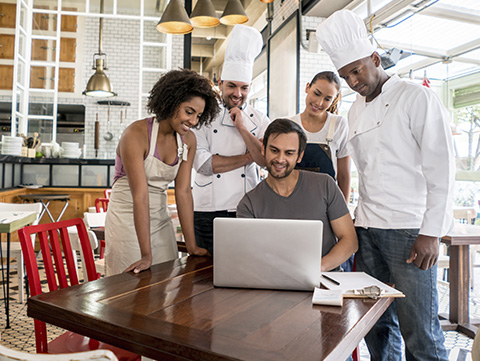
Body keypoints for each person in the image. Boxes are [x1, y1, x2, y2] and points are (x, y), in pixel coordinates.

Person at [316, 10, 454, 361]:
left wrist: (431, 233)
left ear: (375, 58)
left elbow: (442, 168)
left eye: (357, 71)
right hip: (367, 230)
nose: (353, 82)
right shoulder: (354, 111)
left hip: (409, 231)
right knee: (376, 326)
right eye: (346, 75)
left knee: (419, 330)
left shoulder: (416, 97)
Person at [105, 69, 220, 276]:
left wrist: (191, 246)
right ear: (172, 102)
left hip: (159, 217)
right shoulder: (136, 134)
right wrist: (146, 255)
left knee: (166, 282)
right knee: (130, 289)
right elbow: (139, 196)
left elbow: (183, 192)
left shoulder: (188, 140)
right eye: (189, 111)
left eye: (198, 115)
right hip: (126, 217)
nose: (194, 121)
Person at [237, 118, 358, 271]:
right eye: (274, 150)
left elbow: (350, 241)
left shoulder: (325, 185)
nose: (280, 159)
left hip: (325, 280)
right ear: (263, 149)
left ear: (299, 156)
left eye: (289, 153)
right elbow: (250, 256)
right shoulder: (248, 204)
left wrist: (316, 269)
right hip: (273, 282)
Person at [192, 24, 270, 255]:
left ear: (250, 87)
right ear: (219, 83)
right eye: (231, 86)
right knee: (204, 278)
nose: (238, 94)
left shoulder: (260, 120)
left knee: (247, 271)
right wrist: (250, 155)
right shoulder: (202, 117)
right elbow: (205, 165)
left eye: (244, 88)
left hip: (248, 208)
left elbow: (266, 162)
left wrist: (243, 129)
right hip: (208, 211)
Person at [290, 71, 350, 201]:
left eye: (327, 99)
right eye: (316, 94)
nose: (319, 103)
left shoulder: (339, 124)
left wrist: (343, 211)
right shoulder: (289, 124)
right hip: (291, 200)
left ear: (334, 99)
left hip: (326, 202)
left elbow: (344, 175)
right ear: (307, 88)